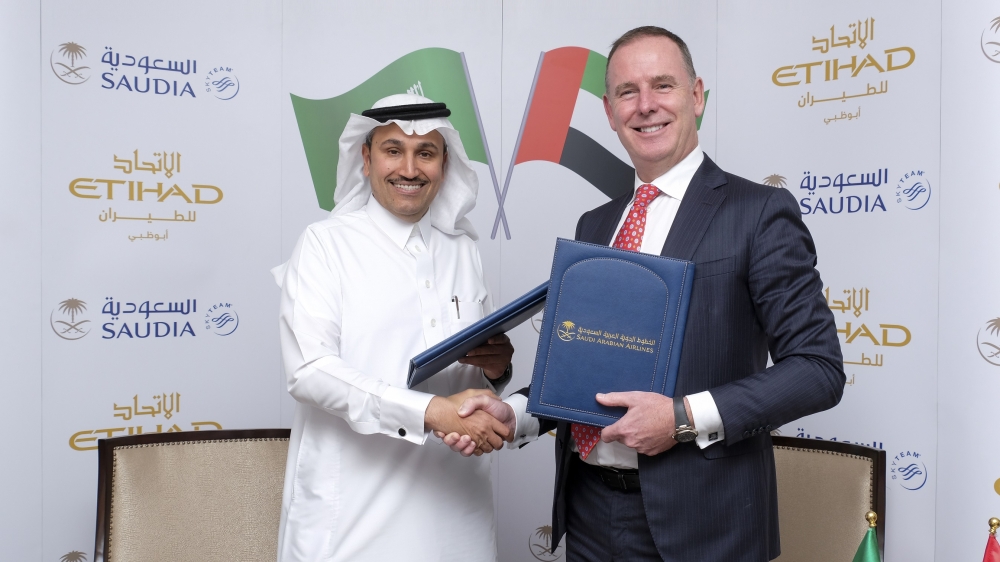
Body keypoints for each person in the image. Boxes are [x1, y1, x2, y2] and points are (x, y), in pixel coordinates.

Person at [442, 26, 846, 561]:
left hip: (707, 525)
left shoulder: (758, 213)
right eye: (628, 92)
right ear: (609, 113)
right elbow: (579, 374)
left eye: (663, 86)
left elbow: (818, 369)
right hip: (589, 514)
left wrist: (682, 418)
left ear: (697, 96)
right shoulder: (596, 224)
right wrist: (513, 416)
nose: (646, 105)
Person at [275, 94, 514, 562]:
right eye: (392, 150)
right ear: (366, 158)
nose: (409, 168)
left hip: (457, 511)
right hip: (353, 516)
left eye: (425, 152)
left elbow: (468, 379)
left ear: (444, 164)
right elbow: (310, 371)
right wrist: (432, 411)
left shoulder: (463, 250)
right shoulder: (325, 245)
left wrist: (496, 371)